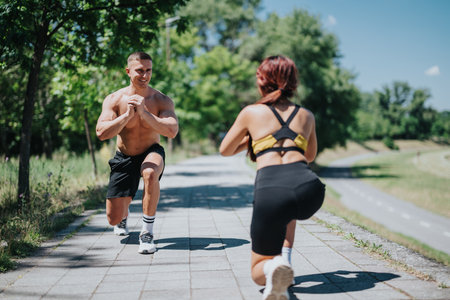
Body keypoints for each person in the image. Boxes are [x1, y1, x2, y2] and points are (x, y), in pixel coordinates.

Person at [219, 55, 325, 300]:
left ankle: (273, 268)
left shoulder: (251, 112)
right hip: (309, 190)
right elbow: (309, 155)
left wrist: (258, 139)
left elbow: (225, 149)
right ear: (292, 82)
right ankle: (284, 263)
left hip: (272, 189)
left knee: (258, 272)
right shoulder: (306, 115)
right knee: (288, 205)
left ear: (262, 80)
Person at [96, 51, 178, 254]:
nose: (145, 75)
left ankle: (146, 233)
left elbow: (171, 131)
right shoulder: (114, 99)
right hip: (124, 157)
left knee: (150, 173)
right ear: (128, 71)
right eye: (139, 71)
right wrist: (126, 116)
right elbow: (101, 133)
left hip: (151, 151)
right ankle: (123, 216)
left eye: (148, 70)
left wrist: (144, 113)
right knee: (113, 218)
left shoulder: (161, 100)